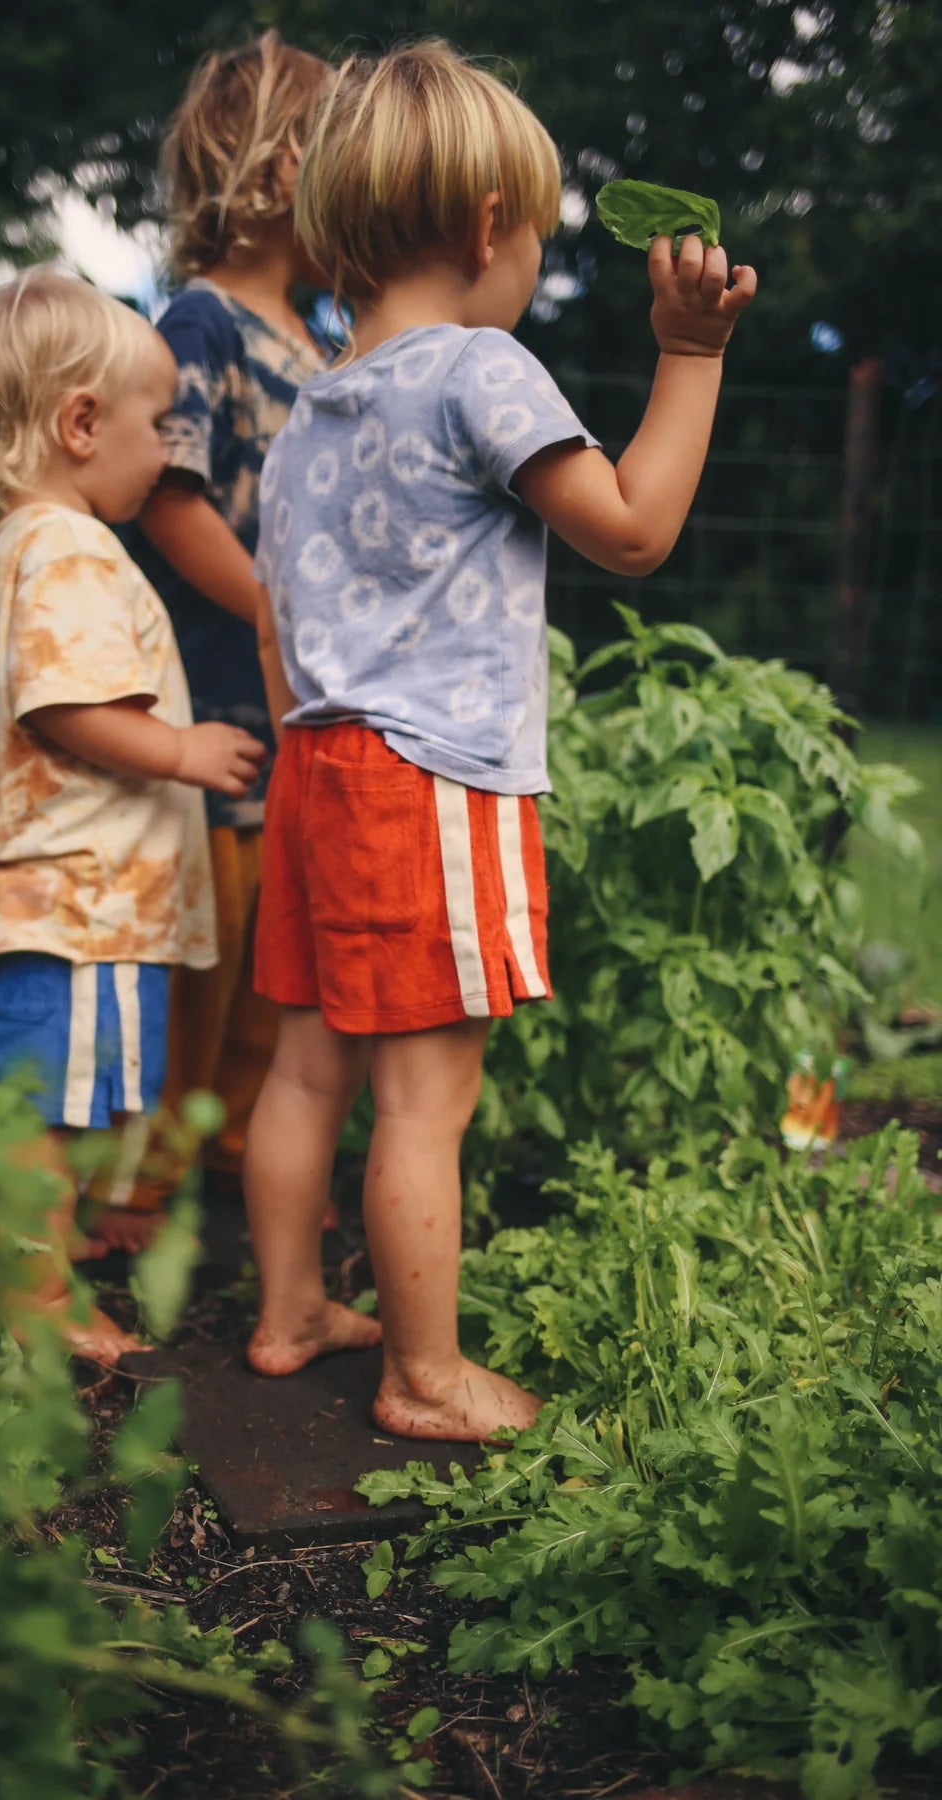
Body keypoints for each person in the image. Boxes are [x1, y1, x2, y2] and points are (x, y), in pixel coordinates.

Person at [246, 41, 757, 1440]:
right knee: (428, 1095)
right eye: (532, 230)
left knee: (305, 1064)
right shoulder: (481, 370)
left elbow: (278, 624)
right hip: (429, 778)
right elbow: (636, 530)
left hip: (313, 765)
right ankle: (426, 1378)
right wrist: (690, 354)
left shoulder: (304, 419)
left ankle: (288, 1309)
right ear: (487, 226)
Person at [0, 267, 266, 1366]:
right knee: (46, 1116)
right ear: (82, 423)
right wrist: (181, 747)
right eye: (159, 424)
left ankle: (24, 1268)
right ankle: (26, 1298)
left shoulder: (11, 549)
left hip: (52, 897)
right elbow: (67, 703)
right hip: (73, 900)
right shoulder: (67, 546)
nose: (171, 445)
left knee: (48, 1106)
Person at [103, 31, 331, 1249]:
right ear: (276, 162)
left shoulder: (321, 340)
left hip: (288, 704)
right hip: (214, 694)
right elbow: (171, 496)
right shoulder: (202, 323)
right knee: (211, 940)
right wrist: (273, 609)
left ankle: (241, 1145)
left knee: (271, 950)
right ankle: (141, 1181)